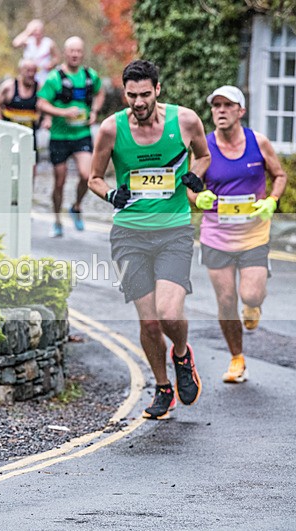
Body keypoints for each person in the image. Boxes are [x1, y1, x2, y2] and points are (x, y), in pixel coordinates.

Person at [88, 59, 211, 420]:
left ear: (157, 90)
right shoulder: (111, 130)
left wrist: (194, 177)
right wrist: (111, 195)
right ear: (124, 93)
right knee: (149, 323)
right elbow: (95, 178)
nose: (138, 102)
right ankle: (162, 388)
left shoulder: (185, 120)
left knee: (170, 313)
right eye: (131, 95)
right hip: (129, 234)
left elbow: (202, 156)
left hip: (173, 229)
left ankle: (182, 354)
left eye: (144, 94)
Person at [191, 85, 288, 383]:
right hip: (216, 235)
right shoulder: (204, 148)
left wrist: (272, 201)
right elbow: (191, 186)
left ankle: (254, 303)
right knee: (226, 299)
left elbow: (280, 175)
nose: (220, 110)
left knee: (251, 294)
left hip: (253, 234)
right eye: (215, 105)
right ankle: (236, 358)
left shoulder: (258, 142)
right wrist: (199, 199)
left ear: (240, 111)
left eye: (227, 105)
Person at [37, 36, 105, 237]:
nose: (75, 55)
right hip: (59, 136)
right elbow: (41, 103)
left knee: (87, 175)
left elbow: (100, 93)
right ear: (65, 53)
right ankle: (57, 220)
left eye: (78, 51)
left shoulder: (90, 76)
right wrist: (62, 113)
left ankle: (76, 206)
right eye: (71, 51)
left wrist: (94, 111)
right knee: (60, 181)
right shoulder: (54, 77)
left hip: (81, 134)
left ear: (83, 53)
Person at [0, 59, 40, 177]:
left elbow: (45, 104)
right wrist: (1, 123)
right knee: (9, 163)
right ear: (20, 71)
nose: (31, 74)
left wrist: (46, 119)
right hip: (10, 133)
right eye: (27, 71)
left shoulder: (39, 88)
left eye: (33, 71)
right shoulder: (9, 87)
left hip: (30, 133)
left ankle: (29, 192)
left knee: (31, 165)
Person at [11, 19, 61, 87]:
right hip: (27, 75)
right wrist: (27, 32)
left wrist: (51, 64)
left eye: (39, 30)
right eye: (35, 30)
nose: (37, 32)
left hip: (43, 74)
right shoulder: (28, 41)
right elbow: (15, 44)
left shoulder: (48, 43)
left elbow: (57, 57)